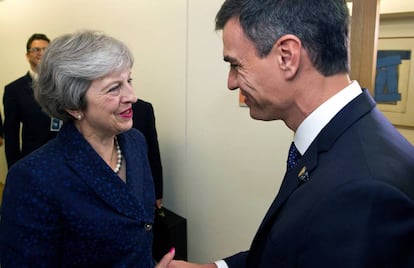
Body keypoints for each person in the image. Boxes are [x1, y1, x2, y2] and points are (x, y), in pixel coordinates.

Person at [162, 0, 414, 267]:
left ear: (287, 56)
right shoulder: (339, 141)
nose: (231, 82)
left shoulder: (365, 189)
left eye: (236, 65)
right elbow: (293, 253)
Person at [0, 30, 158, 266]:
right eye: (114, 87)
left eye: (129, 80)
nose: (132, 96)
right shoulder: (33, 178)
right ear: (74, 105)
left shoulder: (135, 141)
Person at [3, 33, 60, 169]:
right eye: (36, 50)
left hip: (63, 158)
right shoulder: (14, 90)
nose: (41, 53)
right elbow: (11, 135)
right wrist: (14, 169)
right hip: (33, 159)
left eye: (46, 49)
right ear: (28, 55)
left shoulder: (63, 84)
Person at [132, 99, 164, 208]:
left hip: (140, 193)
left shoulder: (143, 109)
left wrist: (157, 192)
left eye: (129, 81)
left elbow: (153, 152)